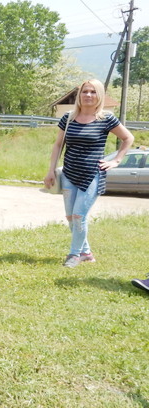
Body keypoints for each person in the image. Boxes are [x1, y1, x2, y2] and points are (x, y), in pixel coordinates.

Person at [43, 79, 134, 268]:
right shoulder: (68, 118)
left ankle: (74, 254)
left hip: (92, 174)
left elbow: (128, 138)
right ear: (79, 95)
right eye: (85, 91)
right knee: (70, 216)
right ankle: (86, 252)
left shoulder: (106, 118)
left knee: (79, 216)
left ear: (99, 95)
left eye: (93, 92)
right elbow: (58, 144)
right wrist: (51, 170)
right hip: (69, 174)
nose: (88, 95)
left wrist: (116, 160)